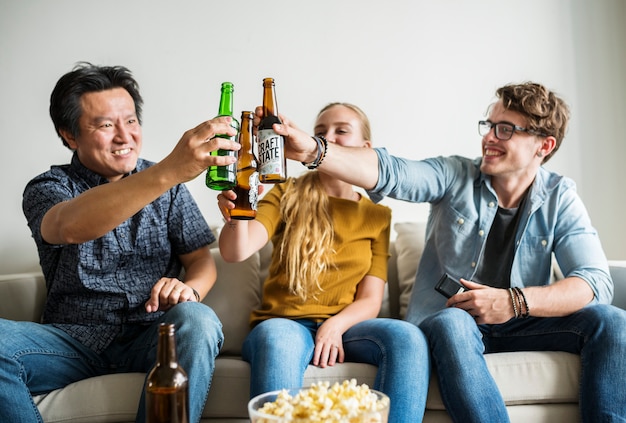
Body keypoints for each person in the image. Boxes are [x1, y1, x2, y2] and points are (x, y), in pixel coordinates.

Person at [258, 83, 626, 422]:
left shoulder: (561, 197)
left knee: (611, 321)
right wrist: (313, 150)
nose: (489, 138)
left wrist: (513, 302)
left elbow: (594, 282)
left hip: (518, 323)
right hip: (449, 322)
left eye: (505, 129)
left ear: (543, 146)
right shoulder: (454, 174)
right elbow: (395, 172)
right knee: (454, 322)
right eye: (489, 125)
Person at [0, 62, 240, 423]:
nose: (124, 136)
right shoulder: (48, 188)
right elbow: (69, 226)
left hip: (156, 337)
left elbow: (200, 260)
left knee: (198, 319)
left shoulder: (167, 186)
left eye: (130, 121)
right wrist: (170, 170)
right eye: (105, 125)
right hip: (73, 340)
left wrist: (188, 290)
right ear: (69, 134)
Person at [217, 102, 430, 422]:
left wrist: (335, 326)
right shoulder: (284, 192)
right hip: (284, 324)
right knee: (277, 340)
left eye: (341, 131)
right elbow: (237, 251)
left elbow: (371, 298)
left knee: (408, 338)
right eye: (320, 133)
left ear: (366, 149)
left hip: (350, 328)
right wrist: (237, 216)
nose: (327, 137)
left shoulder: (377, 215)